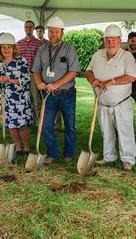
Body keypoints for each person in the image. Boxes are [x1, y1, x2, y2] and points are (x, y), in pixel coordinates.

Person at [86, 25, 136, 170]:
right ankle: (109, 156)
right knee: (106, 132)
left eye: (113, 39)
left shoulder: (127, 56)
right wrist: (93, 80)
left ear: (120, 41)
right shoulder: (97, 55)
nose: (110, 43)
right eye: (108, 40)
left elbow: (131, 77)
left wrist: (111, 81)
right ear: (104, 41)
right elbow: (88, 71)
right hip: (102, 103)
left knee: (125, 132)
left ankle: (128, 159)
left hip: (121, 103)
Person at [33, 16, 80, 164]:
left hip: (66, 94)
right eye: (51, 31)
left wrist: (57, 84)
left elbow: (73, 72)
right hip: (49, 95)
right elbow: (36, 70)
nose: (53, 34)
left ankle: (68, 153)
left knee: (69, 126)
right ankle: (52, 153)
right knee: (46, 125)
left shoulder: (69, 49)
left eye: (56, 32)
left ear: (62, 33)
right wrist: (39, 82)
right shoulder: (41, 49)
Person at [0, 33, 33, 156]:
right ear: (0, 49)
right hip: (5, 100)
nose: (6, 50)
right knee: (11, 126)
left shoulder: (21, 61)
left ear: (14, 48)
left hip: (19, 100)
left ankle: (27, 148)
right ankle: (18, 149)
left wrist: (9, 80)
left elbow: (26, 78)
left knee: (21, 126)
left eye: (9, 47)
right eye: (4, 47)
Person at [17, 20, 43, 124]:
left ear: (33, 29)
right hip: (22, 76)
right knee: (23, 99)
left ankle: (40, 122)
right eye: (26, 27)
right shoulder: (19, 44)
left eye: (30, 27)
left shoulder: (39, 43)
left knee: (36, 100)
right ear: (24, 28)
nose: (28, 28)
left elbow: (42, 60)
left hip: (34, 75)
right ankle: (27, 120)